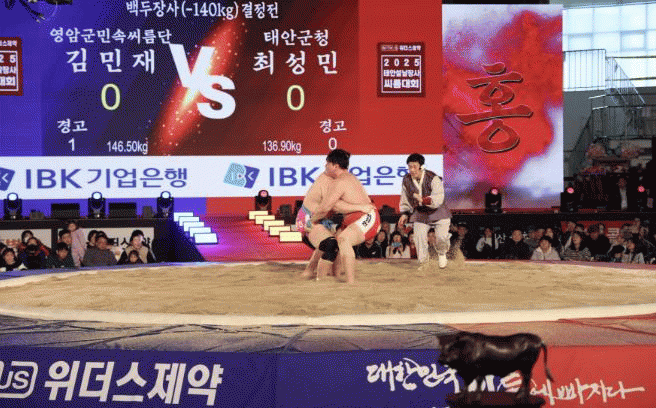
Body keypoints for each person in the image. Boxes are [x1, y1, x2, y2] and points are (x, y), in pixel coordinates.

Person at [311, 149, 380, 284]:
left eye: (327, 163)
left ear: (335, 166)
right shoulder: (344, 180)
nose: (325, 166)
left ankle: (350, 283)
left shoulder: (340, 181)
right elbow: (335, 207)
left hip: (367, 217)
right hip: (353, 218)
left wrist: (311, 221)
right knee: (335, 241)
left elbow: (324, 208)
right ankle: (336, 275)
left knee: (344, 239)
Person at [296, 170, 372, 279]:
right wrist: (361, 207)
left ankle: (318, 272)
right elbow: (333, 206)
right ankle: (319, 279)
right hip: (309, 219)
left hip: (323, 220)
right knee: (330, 243)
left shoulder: (341, 182)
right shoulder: (326, 180)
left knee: (339, 241)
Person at [397, 153, 451, 268]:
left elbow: (438, 198)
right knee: (418, 237)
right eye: (410, 167)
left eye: (415, 166)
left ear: (422, 167)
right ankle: (424, 263)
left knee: (441, 238)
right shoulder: (406, 180)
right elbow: (405, 199)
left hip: (438, 211)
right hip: (421, 213)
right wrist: (405, 214)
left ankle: (442, 254)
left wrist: (423, 200)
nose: (412, 170)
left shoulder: (433, 178)